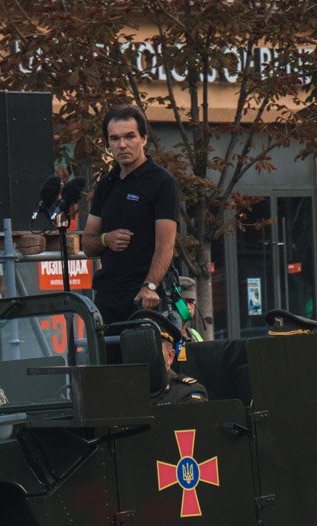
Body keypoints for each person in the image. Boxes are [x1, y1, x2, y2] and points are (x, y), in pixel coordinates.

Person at [83, 104, 181, 324]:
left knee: (144, 359)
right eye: (115, 139)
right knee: (107, 358)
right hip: (107, 296)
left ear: (144, 139)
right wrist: (105, 239)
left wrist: (150, 287)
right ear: (108, 144)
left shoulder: (162, 182)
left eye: (130, 136)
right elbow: (87, 244)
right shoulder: (106, 184)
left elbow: (166, 246)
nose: (123, 144)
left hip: (144, 297)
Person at [131, 310, 207, 404]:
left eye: (152, 351)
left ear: (170, 357)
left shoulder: (186, 393)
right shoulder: (122, 393)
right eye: (140, 350)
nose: (145, 356)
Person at [176, 276, 204, 342]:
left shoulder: (195, 335)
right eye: (183, 302)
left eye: (191, 302)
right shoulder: (166, 335)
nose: (188, 307)